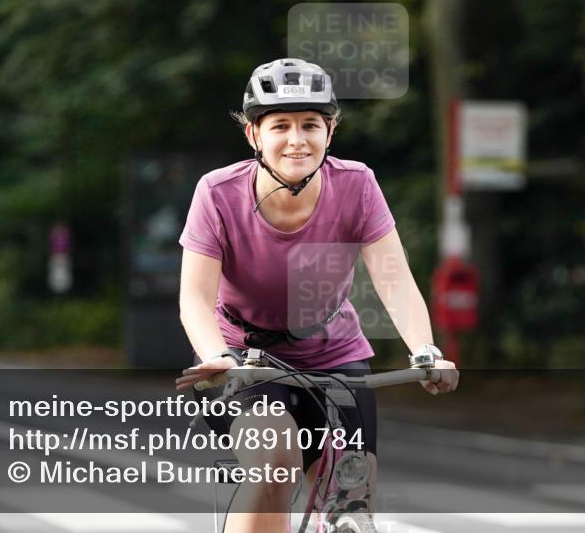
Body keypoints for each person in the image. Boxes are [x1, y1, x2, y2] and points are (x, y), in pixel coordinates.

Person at [175, 58, 459, 533]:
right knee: (275, 462)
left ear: (330, 132)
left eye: (310, 124)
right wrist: (216, 357)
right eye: (280, 125)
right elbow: (195, 298)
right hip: (246, 361)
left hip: (335, 353)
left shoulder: (357, 184)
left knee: (352, 504)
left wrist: (425, 350)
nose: (296, 139)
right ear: (254, 136)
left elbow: (394, 279)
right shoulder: (218, 193)